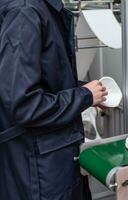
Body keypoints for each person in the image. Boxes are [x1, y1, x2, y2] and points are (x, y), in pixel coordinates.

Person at [0, 0, 108, 199]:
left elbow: (44, 80)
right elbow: (24, 105)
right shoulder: (25, 12)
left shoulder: (41, 9)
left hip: (49, 155)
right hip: (40, 166)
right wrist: (84, 96)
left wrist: (85, 91)